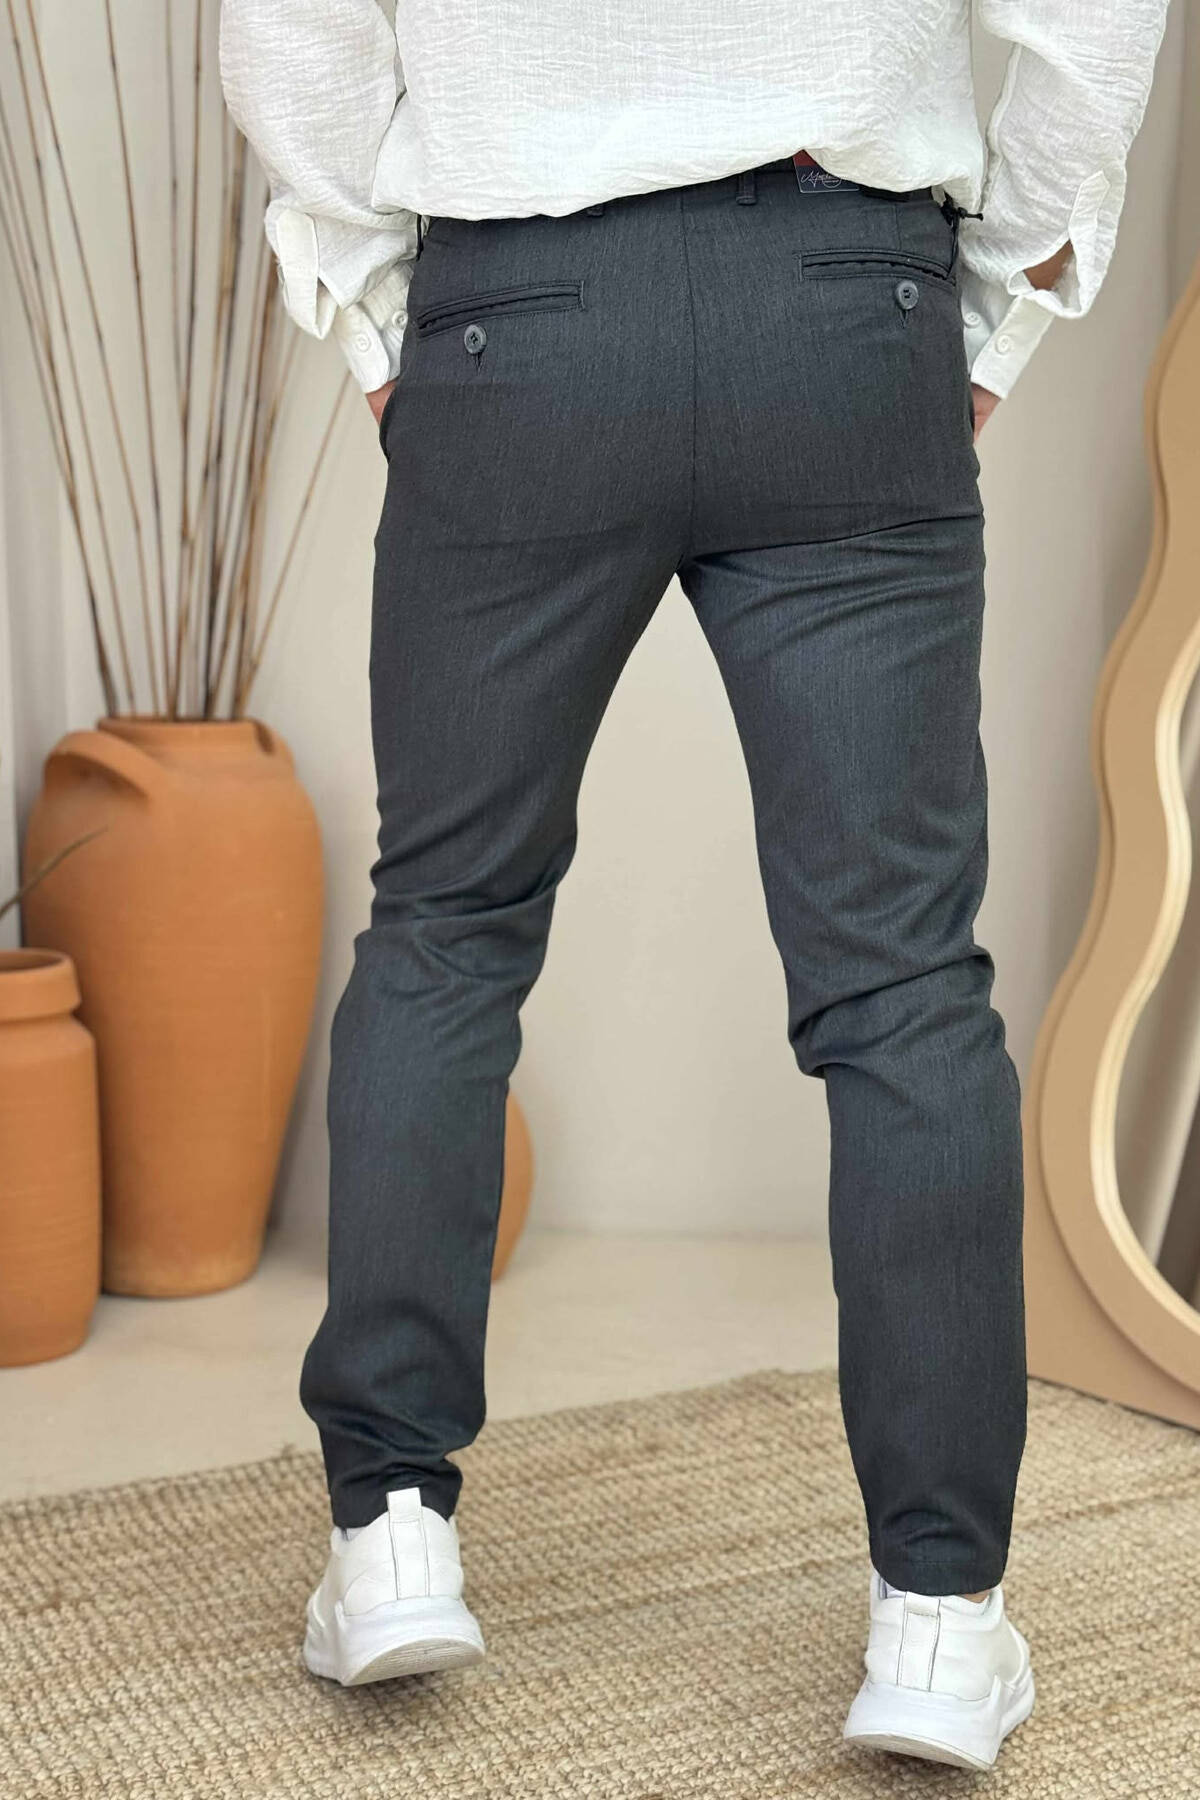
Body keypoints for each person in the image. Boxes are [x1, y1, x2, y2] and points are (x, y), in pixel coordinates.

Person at [219, 0, 1169, 1772]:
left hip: (518, 325)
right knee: (902, 985)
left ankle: (391, 1537)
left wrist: (372, 298)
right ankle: (941, 1622)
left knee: (447, 930)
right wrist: (1002, 293)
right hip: (844, 310)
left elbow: (296, 32)